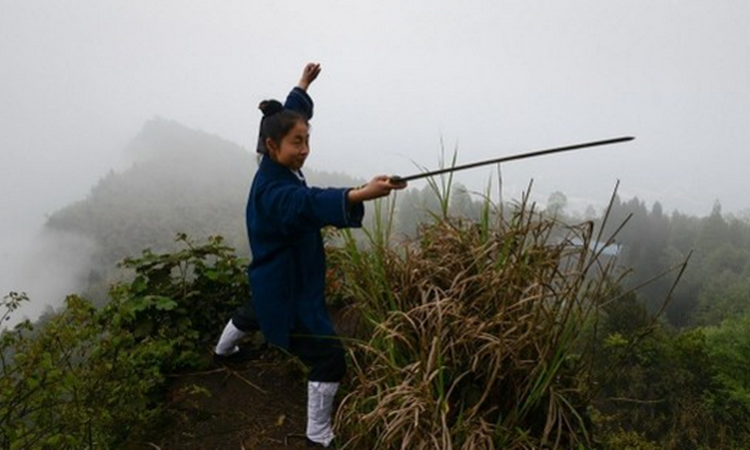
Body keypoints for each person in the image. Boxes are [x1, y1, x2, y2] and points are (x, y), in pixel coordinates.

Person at [214, 63, 406, 448]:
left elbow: (287, 114)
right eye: (296, 142)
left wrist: (302, 85)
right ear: (272, 146)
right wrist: (359, 194)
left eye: (306, 139)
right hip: (289, 283)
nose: (304, 149)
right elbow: (306, 204)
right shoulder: (274, 191)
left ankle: (222, 350)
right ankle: (318, 435)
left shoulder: (270, 153)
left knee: (256, 308)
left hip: (272, 274)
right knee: (328, 357)